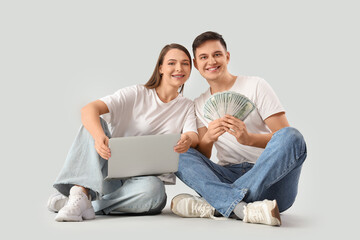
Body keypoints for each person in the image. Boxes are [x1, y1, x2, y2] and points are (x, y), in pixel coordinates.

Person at [47, 43, 199, 222]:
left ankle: (84, 204)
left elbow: (193, 136)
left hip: (141, 185)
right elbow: (88, 109)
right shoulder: (136, 93)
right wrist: (99, 137)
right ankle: (80, 192)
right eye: (172, 63)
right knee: (94, 124)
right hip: (106, 176)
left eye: (185, 63)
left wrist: (187, 140)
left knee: (155, 192)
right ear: (161, 68)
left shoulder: (187, 106)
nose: (179, 68)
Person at [170, 31, 307, 226]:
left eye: (217, 54)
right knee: (177, 152)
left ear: (227, 56)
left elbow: (284, 138)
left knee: (293, 136)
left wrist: (249, 139)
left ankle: (215, 203)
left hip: (272, 180)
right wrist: (209, 138)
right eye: (204, 57)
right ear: (196, 64)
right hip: (227, 174)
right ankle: (242, 208)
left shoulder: (256, 85)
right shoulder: (198, 104)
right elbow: (203, 155)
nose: (211, 61)